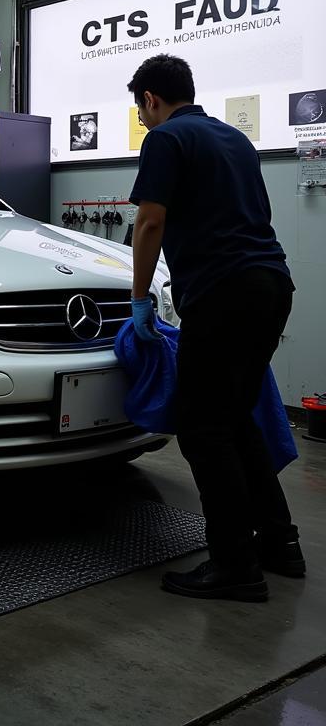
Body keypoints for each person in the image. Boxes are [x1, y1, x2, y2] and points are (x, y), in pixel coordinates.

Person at [127, 55, 303, 602]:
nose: (144, 119)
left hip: (224, 294)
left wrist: (139, 302)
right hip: (271, 286)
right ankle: (279, 545)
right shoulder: (233, 138)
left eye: (141, 109)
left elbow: (150, 220)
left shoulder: (165, 139)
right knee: (236, 421)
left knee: (203, 428)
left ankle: (234, 564)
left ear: (151, 99)